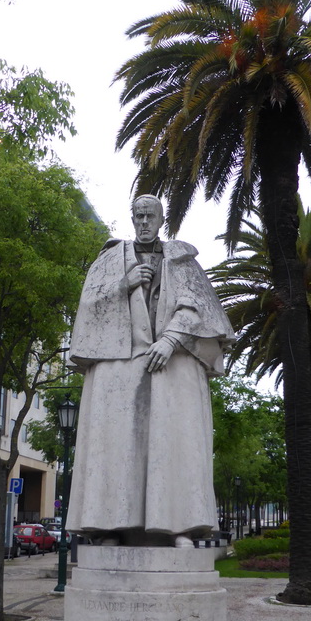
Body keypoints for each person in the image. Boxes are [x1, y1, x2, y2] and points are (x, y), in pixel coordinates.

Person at [66, 194, 235, 547]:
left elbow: (199, 309)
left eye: (150, 216)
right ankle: (110, 525)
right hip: (122, 359)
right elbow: (89, 304)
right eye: (138, 216)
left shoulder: (182, 259)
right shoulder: (111, 260)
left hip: (170, 360)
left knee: (174, 442)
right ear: (132, 218)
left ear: (161, 219)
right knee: (114, 443)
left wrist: (171, 340)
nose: (144, 222)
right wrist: (123, 284)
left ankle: (180, 526)